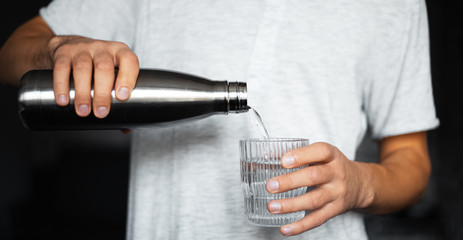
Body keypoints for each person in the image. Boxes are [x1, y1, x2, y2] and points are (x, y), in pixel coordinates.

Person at [0, 0, 439, 239]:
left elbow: (411, 162)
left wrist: (359, 183)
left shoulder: (395, 6)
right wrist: (57, 49)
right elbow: (11, 53)